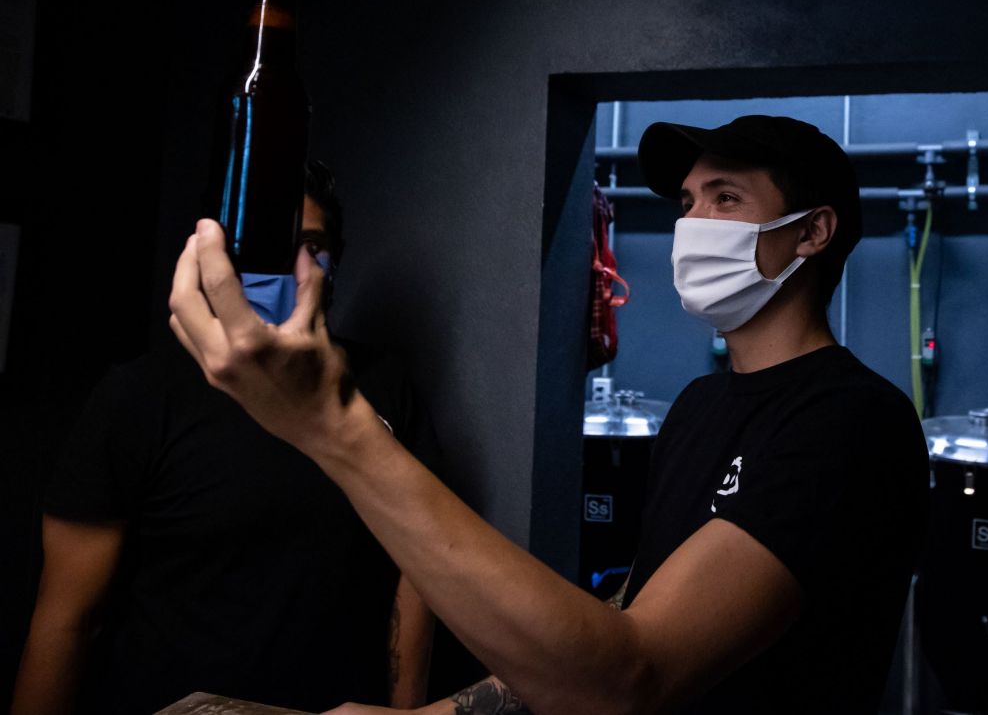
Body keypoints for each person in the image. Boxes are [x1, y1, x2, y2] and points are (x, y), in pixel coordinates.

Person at [165, 116, 928, 714]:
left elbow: (631, 676)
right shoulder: (701, 405)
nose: (693, 224)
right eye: (688, 203)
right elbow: (636, 606)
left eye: (726, 199)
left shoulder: (852, 423)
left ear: (813, 232)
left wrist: (333, 424)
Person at [12, 162, 441, 715]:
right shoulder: (140, 397)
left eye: (313, 245)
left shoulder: (384, 386)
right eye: (267, 246)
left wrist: (407, 712)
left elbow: (417, 571)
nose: (295, 266)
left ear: (336, 258)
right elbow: (67, 619)